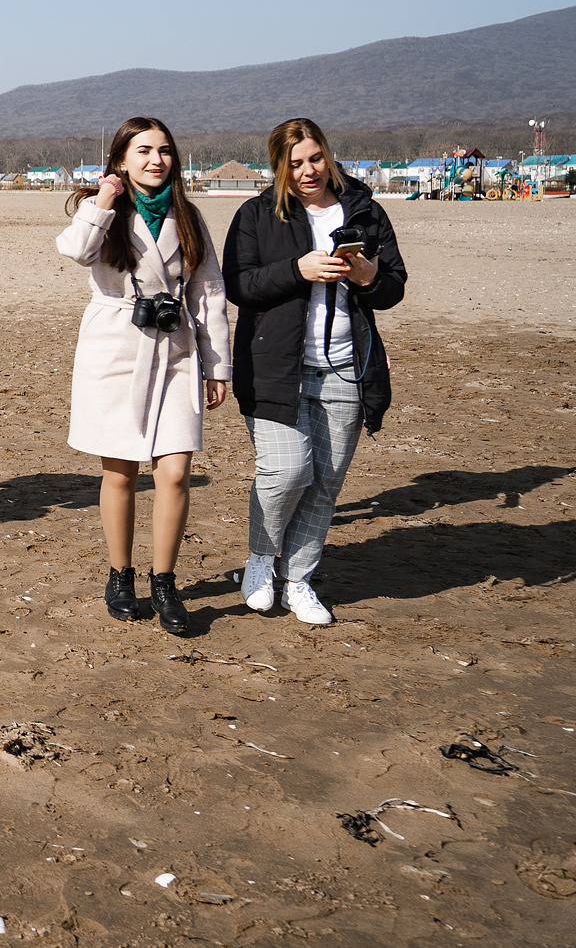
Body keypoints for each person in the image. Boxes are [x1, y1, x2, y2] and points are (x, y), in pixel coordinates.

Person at [224, 118, 407, 627]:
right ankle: (261, 559)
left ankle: (299, 579)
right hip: (275, 367)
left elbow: (393, 287)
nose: (308, 171)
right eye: (295, 163)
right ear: (279, 166)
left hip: (346, 368)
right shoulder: (258, 214)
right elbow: (238, 284)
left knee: (325, 482)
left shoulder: (365, 211)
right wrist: (297, 270)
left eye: (315, 158)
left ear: (328, 154)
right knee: (286, 471)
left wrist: (368, 274)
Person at [57, 116, 232, 634]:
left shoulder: (189, 215)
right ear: (121, 160)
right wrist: (104, 199)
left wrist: (216, 363)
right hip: (115, 350)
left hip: (177, 349)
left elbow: (209, 292)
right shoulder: (105, 212)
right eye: (143, 151)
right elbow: (76, 250)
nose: (156, 160)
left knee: (175, 470)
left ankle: (165, 582)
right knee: (121, 473)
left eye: (164, 151)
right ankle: (120, 575)